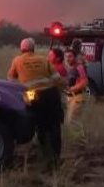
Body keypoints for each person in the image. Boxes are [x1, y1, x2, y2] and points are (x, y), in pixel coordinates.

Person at [7, 37, 63, 166]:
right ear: (33, 49)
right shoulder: (44, 59)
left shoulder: (17, 60)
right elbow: (57, 79)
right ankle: (56, 157)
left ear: (22, 49)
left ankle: (44, 155)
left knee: (39, 125)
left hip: (32, 95)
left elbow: (10, 79)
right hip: (51, 93)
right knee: (55, 127)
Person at [64, 49, 88, 125]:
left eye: (70, 56)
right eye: (66, 56)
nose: (68, 59)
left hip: (78, 97)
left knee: (72, 121)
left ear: (75, 57)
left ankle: (79, 137)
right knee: (70, 121)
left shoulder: (79, 67)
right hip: (70, 97)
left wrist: (71, 89)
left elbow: (84, 82)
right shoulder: (69, 67)